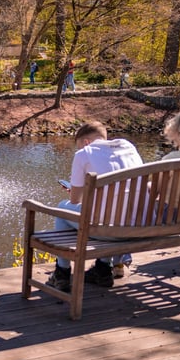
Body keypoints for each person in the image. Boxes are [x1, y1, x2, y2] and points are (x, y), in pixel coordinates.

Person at [46, 122, 143, 291]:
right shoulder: (128, 148)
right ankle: (102, 269)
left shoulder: (84, 153)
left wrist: (75, 190)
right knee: (105, 213)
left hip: (106, 230)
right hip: (135, 226)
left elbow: (75, 200)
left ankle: (62, 272)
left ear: (85, 142)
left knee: (63, 209)